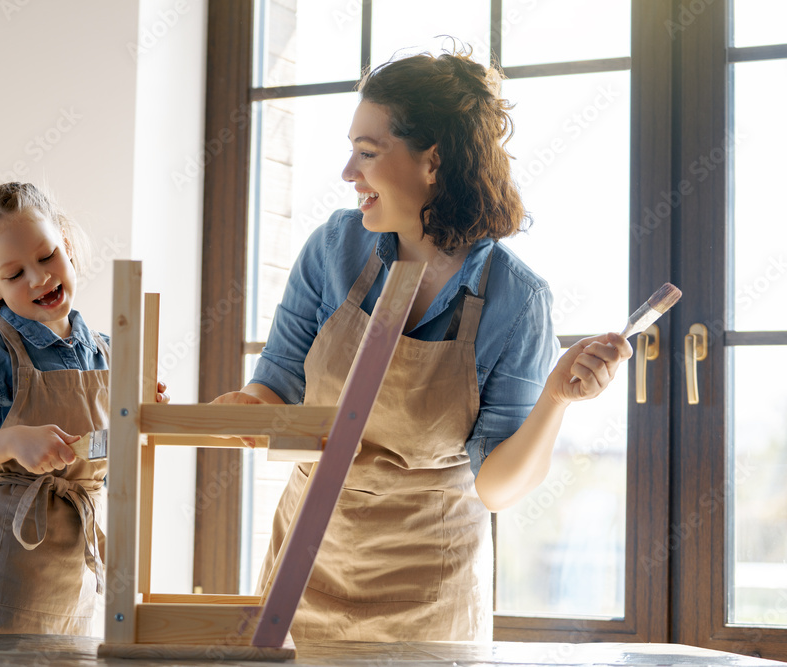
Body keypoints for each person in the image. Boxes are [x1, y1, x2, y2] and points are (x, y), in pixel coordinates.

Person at [213, 49, 633, 641]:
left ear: (433, 160)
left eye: (366, 153)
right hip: (305, 570)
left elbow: (497, 485)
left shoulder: (515, 298)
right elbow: (277, 383)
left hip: (429, 595)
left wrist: (556, 400)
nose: (347, 173)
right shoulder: (333, 250)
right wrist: (251, 408)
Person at [0, 182, 168, 635]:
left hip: (75, 580)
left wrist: (144, 419)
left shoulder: (116, 355)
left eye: (47, 256)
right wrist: (11, 440)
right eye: (13, 275)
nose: (38, 278)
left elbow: (106, 463)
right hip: (0, 585)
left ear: (67, 246)